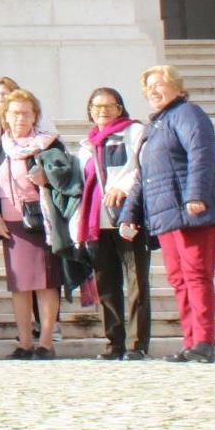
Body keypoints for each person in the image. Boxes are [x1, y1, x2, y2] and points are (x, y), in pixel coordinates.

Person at [118, 65, 215, 363]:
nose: (154, 91)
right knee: (178, 279)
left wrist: (196, 194)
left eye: (161, 84)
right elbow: (143, 176)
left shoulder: (187, 113)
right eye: (149, 88)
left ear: (178, 88)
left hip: (191, 211)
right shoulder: (154, 127)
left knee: (196, 276)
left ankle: (204, 341)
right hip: (165, 216)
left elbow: (201, 152)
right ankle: (190, 341)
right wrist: (129, 214)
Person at [0, 88, 72, 359]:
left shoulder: (49, 143)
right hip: (11, 222)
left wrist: (47, 179)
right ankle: (24, 342)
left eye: (26, 112)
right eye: (14, 113)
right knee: (19, 284)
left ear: (35, 115)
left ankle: (46, 342)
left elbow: (67, 176)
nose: (20, 118)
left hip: (42, 221)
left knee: (46, 282)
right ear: (5, 116)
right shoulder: (0, 147)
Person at [73, 85, 150, 360]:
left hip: (128, 215)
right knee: (106, 284)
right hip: (98, 222)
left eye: (109, 106)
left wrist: (124, 187)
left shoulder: (134, 132)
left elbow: (143, 167)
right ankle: (113, 342)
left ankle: (136, 344)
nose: (102, 111)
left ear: (120, 108)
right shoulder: (86, 145)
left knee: (136, 280)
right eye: (97, 107)